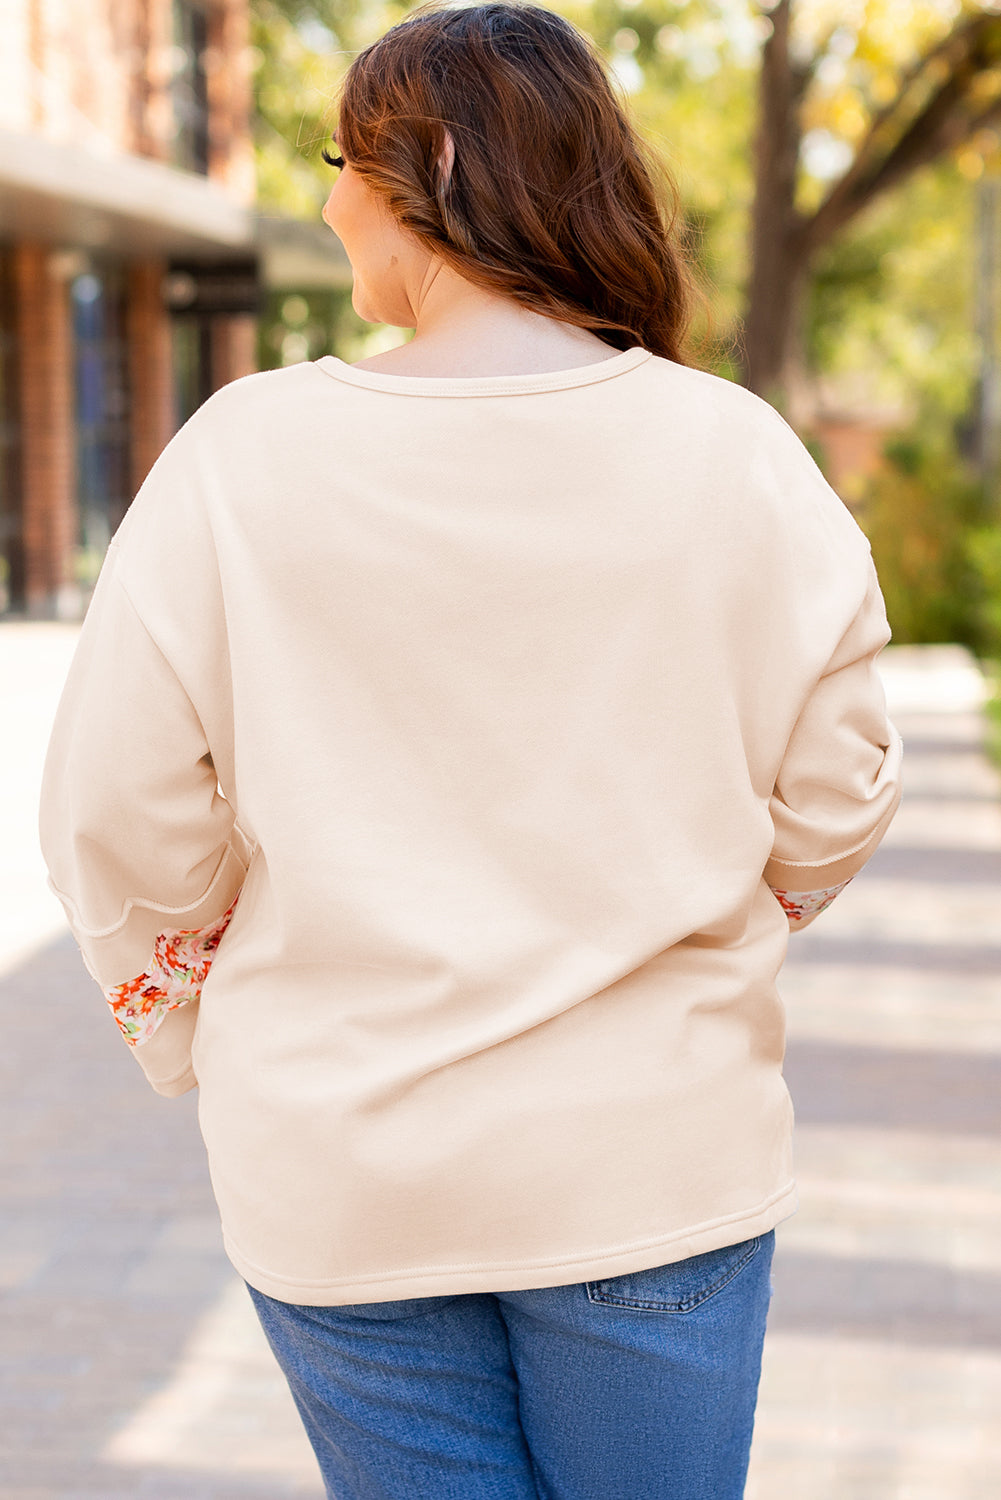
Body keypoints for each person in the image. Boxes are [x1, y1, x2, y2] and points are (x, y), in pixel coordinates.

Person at [38, 3, 903, 1496]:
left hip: (344, 1155)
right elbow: (839, 792)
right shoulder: (736, 453)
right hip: (649, 1153)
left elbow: (114, 809)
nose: (328, 207)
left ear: (429, 167)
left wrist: (194, 1018)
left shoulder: (240, 457)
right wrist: (694, 917)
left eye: (342, 165)